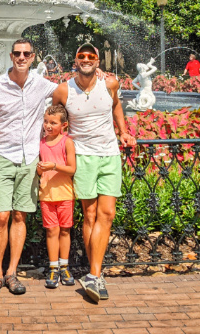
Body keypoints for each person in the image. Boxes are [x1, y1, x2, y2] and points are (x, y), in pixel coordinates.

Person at [0, 40, 103, 297]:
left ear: (33, 56)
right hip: (4, 155)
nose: (22, 57)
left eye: (26, 53)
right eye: (17, 53)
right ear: (11, 56)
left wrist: (96, 73)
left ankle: (11, 273)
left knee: (19, 217)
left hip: (30, 160)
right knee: (1, 216)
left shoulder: (42, 84)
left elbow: (70, 87)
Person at [51, 43, 136, 303]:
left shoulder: (109, 84)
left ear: (97, 61)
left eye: (91, 56)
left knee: (107, 213)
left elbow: (116, 106)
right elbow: (54, 117)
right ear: (75, 60)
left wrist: (123, 131)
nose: (86, 59)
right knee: (89, 215)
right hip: (84, 157)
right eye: (81, 56)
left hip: (109, 154)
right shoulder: (64, 90)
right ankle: (95, 275)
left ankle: (94, 274)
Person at [36, 104, 77, 289]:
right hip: (47, 194)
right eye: (46, 121)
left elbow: (71, 169)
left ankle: (64, 265)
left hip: (65, 193)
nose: (48, 125)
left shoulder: (66, 142)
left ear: (64, 125)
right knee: (52, 230)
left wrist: (53, 166)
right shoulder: (41, 143)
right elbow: (39, 169)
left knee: (65, 230)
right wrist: (39, 170)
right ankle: (53, 266)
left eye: (53, 122)